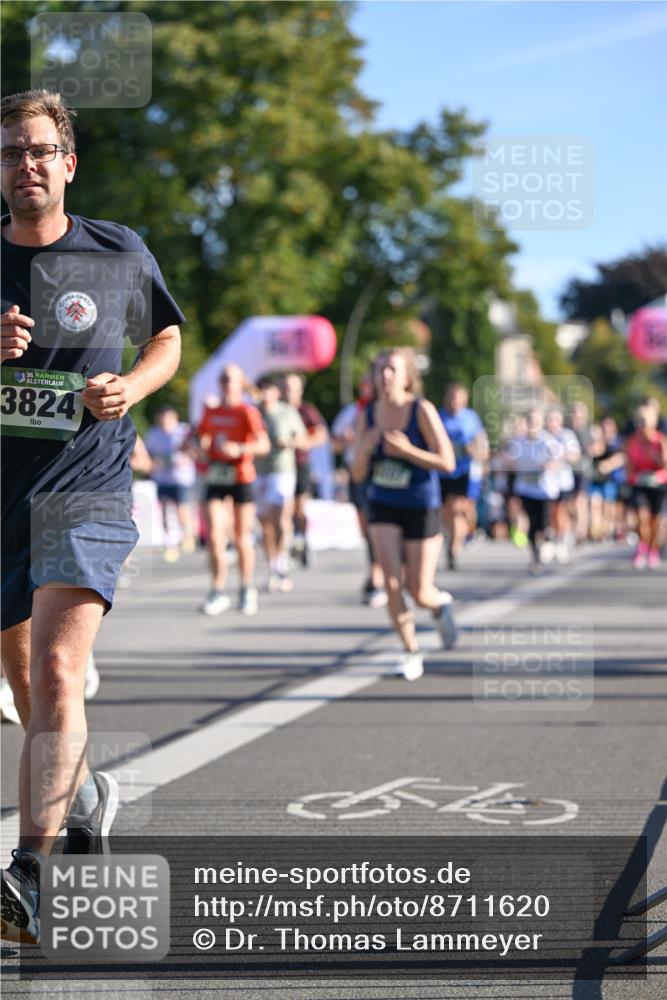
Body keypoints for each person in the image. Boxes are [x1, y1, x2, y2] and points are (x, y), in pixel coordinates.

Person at [0, 90, 184, 945]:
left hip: (86, 488)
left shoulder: (117, 249)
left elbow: (166, 340)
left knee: (59, 673)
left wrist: (131, 388)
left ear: (68, 163)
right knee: (27, 686)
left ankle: (27, 873)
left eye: (39, 150)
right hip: (3, 495)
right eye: (10, 153)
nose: (24, 165)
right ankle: (85, 795)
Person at [351, 348, 457, 681]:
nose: (384, 376)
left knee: (419, 590)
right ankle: (411, 651)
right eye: (380, 369)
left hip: (421, 503)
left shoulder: (420, 409)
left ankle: (440, 606)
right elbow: (356, 474)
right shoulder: (367, 415)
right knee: (392, 584)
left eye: (392, 369)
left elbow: (448, 462)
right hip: (383, 502)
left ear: (407, 376)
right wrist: (366, 447)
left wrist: (408, 451)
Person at [197, 364, 269, 615]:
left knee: (241, 537)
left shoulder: (247, 412)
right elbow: (201, 439)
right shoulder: (211, 411)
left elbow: (263, 445)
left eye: (231, 379)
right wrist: (199, 448)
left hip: (241, 476)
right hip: (216, 475)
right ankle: (217, 590)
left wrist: (239, 449)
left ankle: (246, 587)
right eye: (223, 379)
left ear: (240, 384)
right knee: (215, 536)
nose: (226, 383)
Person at [331, 372, 387, 608]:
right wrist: (346, 440)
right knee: (367, 530)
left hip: (381, 473)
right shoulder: (352, 412)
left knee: (380, 527)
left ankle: (378, 579)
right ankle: (376, 574)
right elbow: (333, 443)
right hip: (358, 474)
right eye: (363, 386)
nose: (366, 390)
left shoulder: (386, 410)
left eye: (369, 386)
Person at [255, 374, 310, 593]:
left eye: (269, 389)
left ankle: (281, 562)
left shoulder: (287, 412)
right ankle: (273, 565)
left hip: (283, 471)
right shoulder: (253, 413)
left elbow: (304, 440)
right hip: (259, 472)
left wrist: (290, 442)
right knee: (264, 522)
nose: (266, 394)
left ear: (277, 393)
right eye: (262, 390)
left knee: (279, 517)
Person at [437, 384, 488, 570]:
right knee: (447, 512)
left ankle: (454, 548)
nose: (454, 402)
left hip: (464, 470)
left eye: (458, 399)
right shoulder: (438, 416)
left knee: (459, 507)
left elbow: (481, 442)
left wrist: (478, 455)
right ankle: (452, 538)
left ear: (464, 401)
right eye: (451, 398)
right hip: (442, 471)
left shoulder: (470, 418)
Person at [281, 372, 328, 567]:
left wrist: (303, 442)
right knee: (285, 509)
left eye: (292, 389)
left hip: (300, 464)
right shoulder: (276, 409)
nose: (288, 393)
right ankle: (286, 548)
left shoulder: (306, 410)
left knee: (300, 509)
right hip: (281, 467)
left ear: (299, 391)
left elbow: (321, 434)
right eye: (285, 388)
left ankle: (304, 539)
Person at [506, 410, 561, 572]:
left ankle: (548, 540)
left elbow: (557, 461)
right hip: (526, 488)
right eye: (530, 421)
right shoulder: (519, 442)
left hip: (544, 488)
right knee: (531, 522)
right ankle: (535, 556)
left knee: (543, 522)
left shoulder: (547, 441)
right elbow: (509, 461)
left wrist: (547, 466)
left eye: (536, 421)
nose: (532, 425)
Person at [144, 404, 197, 562]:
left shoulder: (184, 431)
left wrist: (185, 457)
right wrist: (153, 464)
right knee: (166, 510)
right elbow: (148, 454)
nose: (165, 422)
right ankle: (170, 543)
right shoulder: (153, 434)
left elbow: (195, 451)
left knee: (182, 508)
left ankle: (187, 535)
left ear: (175, 418)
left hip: (181, 478)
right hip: (162, 478)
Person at [624, 404, 667, 569]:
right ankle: (642, 548)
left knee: (655, 522)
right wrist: (631, 478)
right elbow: (629, 464)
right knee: (642, 518)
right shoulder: (632, 441)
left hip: (658, 484)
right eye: (640, 421)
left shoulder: (659, 440)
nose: (642, 426)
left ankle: (653, 550)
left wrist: (654, 453)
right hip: (639, 484)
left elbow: (664, 464)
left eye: (645, 422)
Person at [544, 408, 581, 563]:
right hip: (546, 483)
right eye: (550, 420)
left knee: (561, 512)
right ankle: (553, 539)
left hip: (562, 481)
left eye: (555, 420)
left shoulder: (567, 435)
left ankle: (561, 540)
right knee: (550, 513)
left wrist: (560, 458)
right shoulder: (543, 436)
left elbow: (575, 456)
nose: (552, 423)